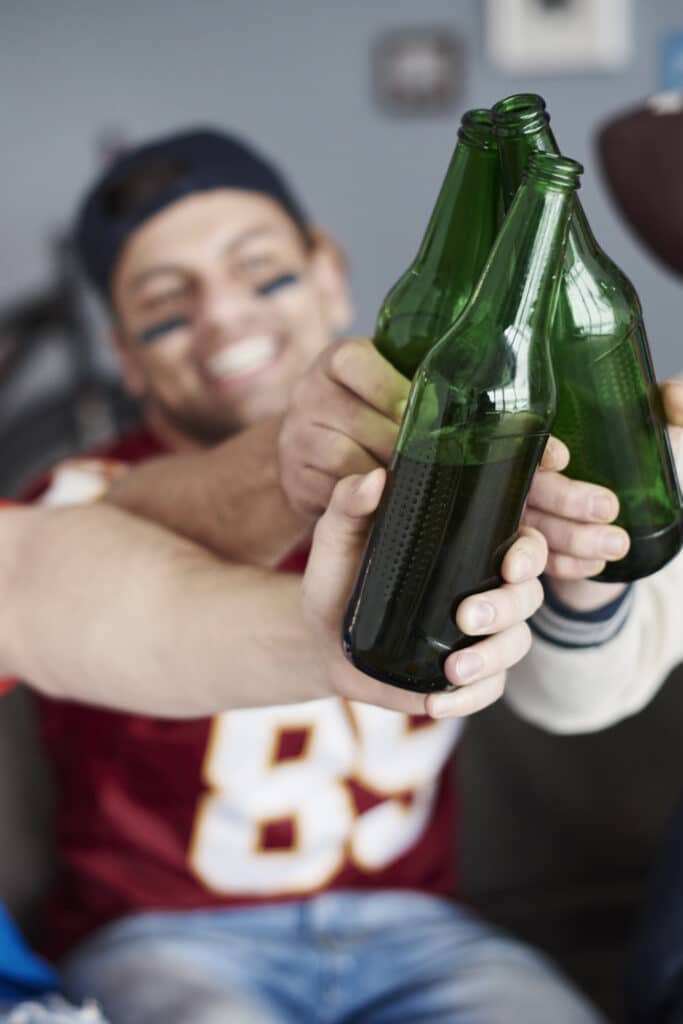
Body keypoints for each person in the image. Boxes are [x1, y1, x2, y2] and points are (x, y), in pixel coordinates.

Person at [20, 126, 644, 1024]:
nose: (225, 317)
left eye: (260, 270)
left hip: (418, 928)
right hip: (165, 935)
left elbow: (580, 672)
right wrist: (281, 467)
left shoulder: (462, 460)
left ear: (328, 271)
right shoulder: (80, 502)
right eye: (166, 306)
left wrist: (591, 560)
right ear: (126, 357)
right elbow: (84, 541)